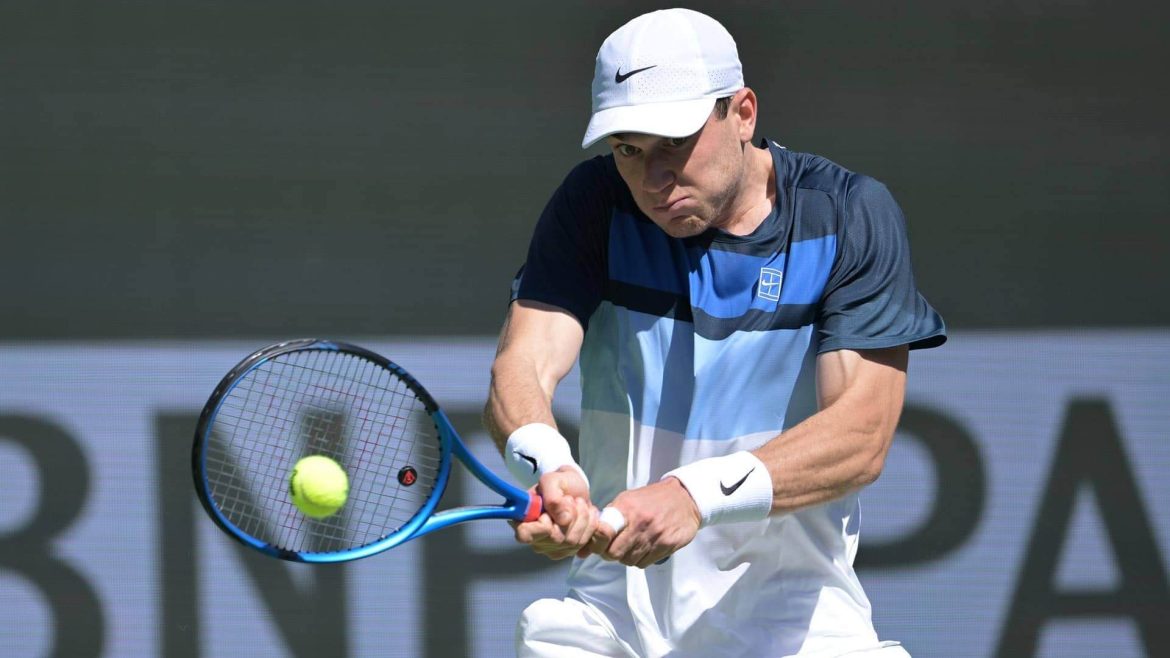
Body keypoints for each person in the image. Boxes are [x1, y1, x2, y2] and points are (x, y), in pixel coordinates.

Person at [483, 8, 945, 657]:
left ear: (744, 113)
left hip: (799, 627)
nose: (652, 179)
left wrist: (695, 496)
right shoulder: (593, 207)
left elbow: (860, 435)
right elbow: (523, 363)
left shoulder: (847, 214)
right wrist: (549, 464)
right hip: (613, 621)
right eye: (629, 150)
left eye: (674, 142)